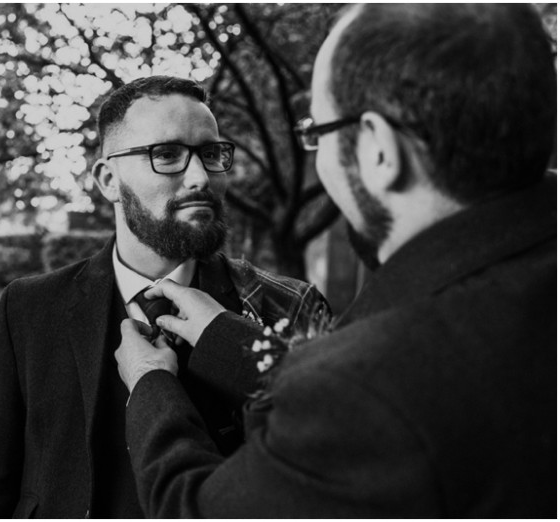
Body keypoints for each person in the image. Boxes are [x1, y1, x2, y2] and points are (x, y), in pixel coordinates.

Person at [115, 4, 556, 518]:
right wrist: (229, 343)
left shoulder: (360, 383)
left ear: (377, 149)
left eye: (316, 132)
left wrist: (150, 386)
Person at [0, 76, 330, 518]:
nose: (200, 177)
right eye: (167, 154)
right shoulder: (29, 307)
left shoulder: (289, 306)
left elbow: (335, 467)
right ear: (108, 179)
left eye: (211, 154)